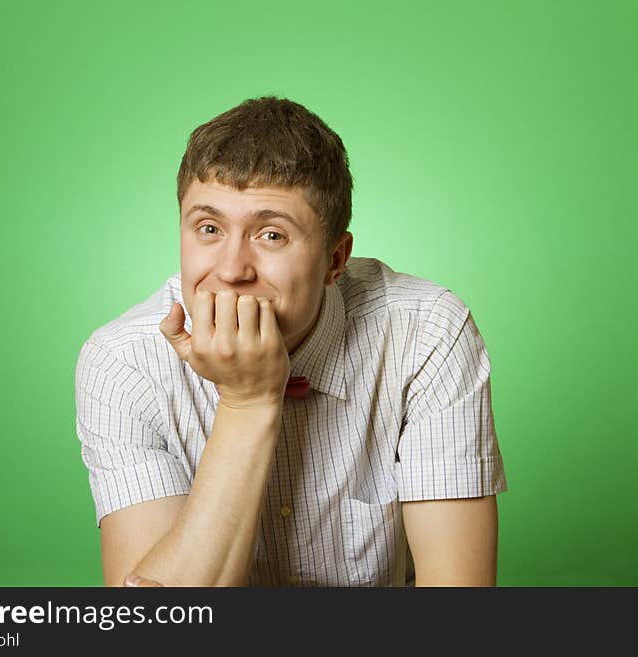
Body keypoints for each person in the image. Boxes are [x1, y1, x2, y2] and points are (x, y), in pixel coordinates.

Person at [74, 95, 507, 587]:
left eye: (272, 235)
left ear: (335, 260)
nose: (232, 270)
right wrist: (247, 402)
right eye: (209, 228)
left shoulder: (426, 335)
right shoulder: (123, 363)